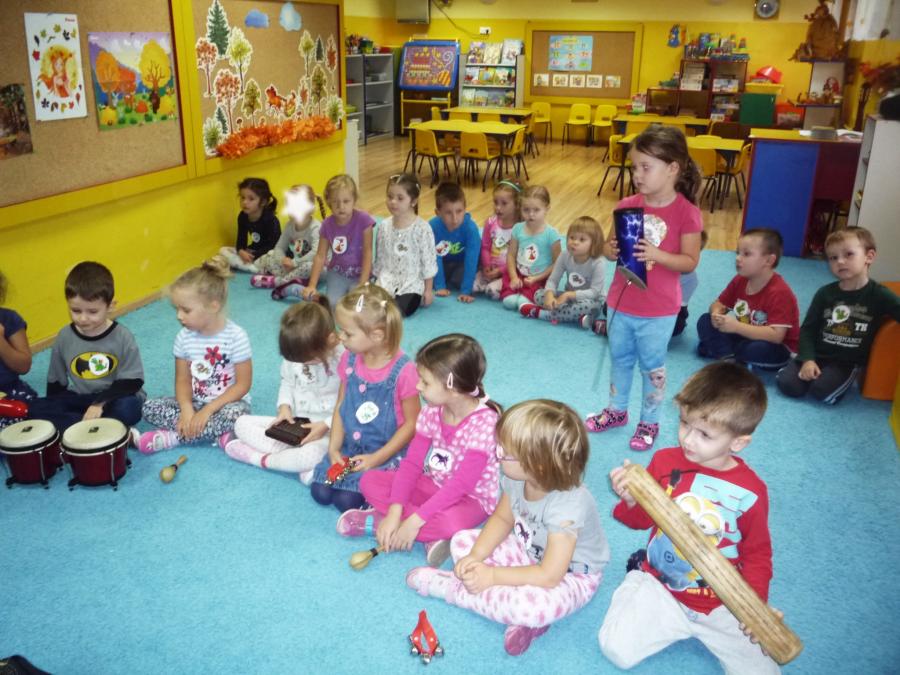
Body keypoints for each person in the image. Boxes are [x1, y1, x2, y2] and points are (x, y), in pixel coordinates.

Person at [600, 362, 780, 675]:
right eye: (685, 423)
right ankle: (638, 576)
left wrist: (755, 607)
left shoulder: (751, 492)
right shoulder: (664, 462)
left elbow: (758, 554)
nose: (688, 440)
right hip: (663, 586)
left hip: (722, 601)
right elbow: (640, 520)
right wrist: (631, 500)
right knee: (615, 649)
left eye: (705, 434)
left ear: (737, 442)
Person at [405, 399, 609, 656]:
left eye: (504, 451)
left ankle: (454, 590)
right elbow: (502, 520)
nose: (496, 452)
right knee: (461, 542)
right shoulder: (516, 478)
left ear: (537, 465)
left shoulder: (567, 507)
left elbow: (549, 575)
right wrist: (476, 556)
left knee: (533, 608)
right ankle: (510, 607)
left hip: (571, 576)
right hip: (529, 552)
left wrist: (491, 576)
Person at [585, 125, 703, 451]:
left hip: (659, 309)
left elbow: (690, 261)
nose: (637, 174)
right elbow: (609, 249)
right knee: (620, 360)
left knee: (652, 369)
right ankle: (617, 410)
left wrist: (657, 254)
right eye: (634, 167)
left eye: (645, 167)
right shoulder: (626, 205)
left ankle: (649, 421)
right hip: (620, 303)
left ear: (673, 168)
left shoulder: (687, 213)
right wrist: (609, 250)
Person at [338, 334, 500, 568]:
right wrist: (395, 512)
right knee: (369, 481)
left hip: (472, 500)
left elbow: (460, 486)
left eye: (425, 382)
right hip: (434, 484)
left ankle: (382, 523)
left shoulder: (485, 423)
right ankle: (421, 533)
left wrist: (414, 521)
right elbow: (412, 464)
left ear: (453, 388)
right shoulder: (431, 412)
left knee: (451, 523)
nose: (417, 386)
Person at [309, 284, 420, 512]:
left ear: (377, 335)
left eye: (348, 333)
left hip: (386, 450)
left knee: (346, 501)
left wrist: (376, 458)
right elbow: (341, 405)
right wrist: (334, 448)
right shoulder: (349, 359)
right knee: (320, 492)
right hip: (350, 446)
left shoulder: (404, 371)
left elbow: (412, 424)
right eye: (340, 330)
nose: (340, 337)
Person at [138, 256, 252, 452]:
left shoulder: (236, 336)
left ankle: (174, 437)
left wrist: (208, 410)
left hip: (228, 404)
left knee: (237, 417)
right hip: (196, 402)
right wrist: (186, 409)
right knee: (148, 407)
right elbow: (183, 380)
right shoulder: (183, 338)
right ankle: (216, 433)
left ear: (213, 306)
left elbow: (243, 385)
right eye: (177, 309)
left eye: (186, 310)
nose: (179, 316)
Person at [776, 227, 900, 404]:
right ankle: (795, 365)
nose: (840, 261)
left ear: (869, 256)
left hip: (846, 362)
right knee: (788, 385)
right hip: (817, 353)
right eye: (833, 258)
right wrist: (808, 359)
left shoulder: (879, 294)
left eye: (849, 254)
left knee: (822, 392)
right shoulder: (825, 293)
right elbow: (808, 330)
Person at [224, 300, 342, 482]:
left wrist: (326, 424)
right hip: (297, 426)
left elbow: (351, 403)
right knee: (241, 423)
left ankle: (261, 459)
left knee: (310, 455)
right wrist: (284, 408)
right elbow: (287, 382)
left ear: (330, 340)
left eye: (308, 360)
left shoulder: (345, 359)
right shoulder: (297, 353)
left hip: (328, 431)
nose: (302, 364)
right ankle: (294, 461)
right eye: (297, 360)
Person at [27, 263, 144, 433]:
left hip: (116, 397)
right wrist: (54, 405)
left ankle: (86, 428)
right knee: (35, 408)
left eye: (92, 312)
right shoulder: (64, 336)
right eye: (76, 310)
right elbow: (56, 383)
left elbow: (133, 382)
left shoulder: (123, 336)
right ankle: (101, 428)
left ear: (111, 306)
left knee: (128, 409)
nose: (83, 318)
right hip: (82, 397)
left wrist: (99, 404)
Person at [697, 228, 799, 369]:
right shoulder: (740, 280)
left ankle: (722, 351)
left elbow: (776, 336)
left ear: (768, 260)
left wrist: (737, 327)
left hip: (776, 346)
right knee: (705, 320)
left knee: (754, 349)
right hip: (746, 335)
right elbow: (719, 304)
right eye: (738, 253)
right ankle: (728, 357)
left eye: (746, 254)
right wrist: (716, 314)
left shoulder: (780, 292)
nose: (738, 258)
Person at [302, 174, 375, 307]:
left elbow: (368, 252)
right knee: (332, 304)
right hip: (338, 273)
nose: (341, 206)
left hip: (360, 273)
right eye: (335, 202)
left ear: (354, 200)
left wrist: (363, 282)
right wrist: (312, 285)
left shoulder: (364, 220)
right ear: (329, 202)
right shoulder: (326, 225)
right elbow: (320, 256)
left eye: (346, 201)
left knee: (357, 305)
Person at [519, 215, 606, 326]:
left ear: (594, 243)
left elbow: (594, 292)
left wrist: (569, 295)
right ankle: (576, 316)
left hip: (592, 300)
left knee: (591, 307)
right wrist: (549, 294)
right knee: (539, 294)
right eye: (572, 237)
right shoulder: (565, 255)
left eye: (582, 239)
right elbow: (553, 280)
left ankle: (540, 313)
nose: (575, 242)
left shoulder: (598, 262)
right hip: (567, 297)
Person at [372, 173, 438, 317]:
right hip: (386, 280)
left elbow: (428, 262)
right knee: (371, 304)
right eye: (390, 197)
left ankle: (390, 306)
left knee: (401, 309)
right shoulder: (383, 226)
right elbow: (381, 257)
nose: (393, 202)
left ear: (413, 201)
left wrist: (428, 290)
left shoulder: (422, 229)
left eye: (400, 198)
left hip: (411, 284)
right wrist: (375, 280)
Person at [248, 184, 326, 299]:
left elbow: (316, 253)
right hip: (294, 266)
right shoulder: (290, 225)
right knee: (270, 255)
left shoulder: (316, 227)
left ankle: (278, 282)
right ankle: (293, 279)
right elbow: (279, 247)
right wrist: (284, 260)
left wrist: (295, 262)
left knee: (309, 266)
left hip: (316, 269)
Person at [500, 185, 561, 311]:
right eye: (526, 210)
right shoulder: (517, 228)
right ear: (520, 208)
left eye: (536, 210)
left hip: (539, 277)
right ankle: (515, 291)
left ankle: (526, 295)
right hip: (518, 272)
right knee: (508, 301)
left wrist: (537, 278)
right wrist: (514, 277)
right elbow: (511, 255)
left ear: (547, 209)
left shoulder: (552, 234)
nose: (531, 214)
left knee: (525, 300)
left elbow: (558, 263)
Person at [427, 182, 481, 304]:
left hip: (462, 263)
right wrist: (440, 286)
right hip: (444, 262)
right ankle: (446, 280)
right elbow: (434, 257)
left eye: (459, 211)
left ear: (465, 209)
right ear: (438, 212)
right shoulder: (432, 227)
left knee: (460, 278)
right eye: (448, 213)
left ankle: (456, 280)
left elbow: (471, 260)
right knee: (424, 274)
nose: (455, 218)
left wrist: (466, 291)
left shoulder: (471, 229)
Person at [219, 178, 281, 273]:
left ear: (263, 202)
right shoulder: (243, 216)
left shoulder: (271, 219)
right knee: (223, 250)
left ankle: (252, 267)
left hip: (269, 252)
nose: (244, 202)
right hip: (253, 251)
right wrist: (241, 251)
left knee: (273, 257)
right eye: (242, 197)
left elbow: (274, 245)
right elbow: (241, 240)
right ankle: (253, 267)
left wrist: (255, 255)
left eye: (251, 199)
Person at [473, 179, 522, 300]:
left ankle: (502, 286)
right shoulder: (490, 222)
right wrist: (487, 265)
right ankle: (489, 281)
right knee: (472, 287)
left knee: (492, 291)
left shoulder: (520, 228)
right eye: (495, 202)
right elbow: (485, 247)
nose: (498, 207)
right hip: (491, 268)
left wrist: (501, 270)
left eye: (504, 203)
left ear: (517, 204)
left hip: (509, 271)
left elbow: (519, 257)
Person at [0, 271, 36, 430]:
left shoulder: (9, 319)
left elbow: (23, 366)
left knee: (30, 416)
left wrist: (1, 341)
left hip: (9, 390)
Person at [673, 230, 709, 337]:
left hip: (674, 311)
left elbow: (678, 307)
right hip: (655, 304)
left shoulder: (691, 279)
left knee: (675, 327)